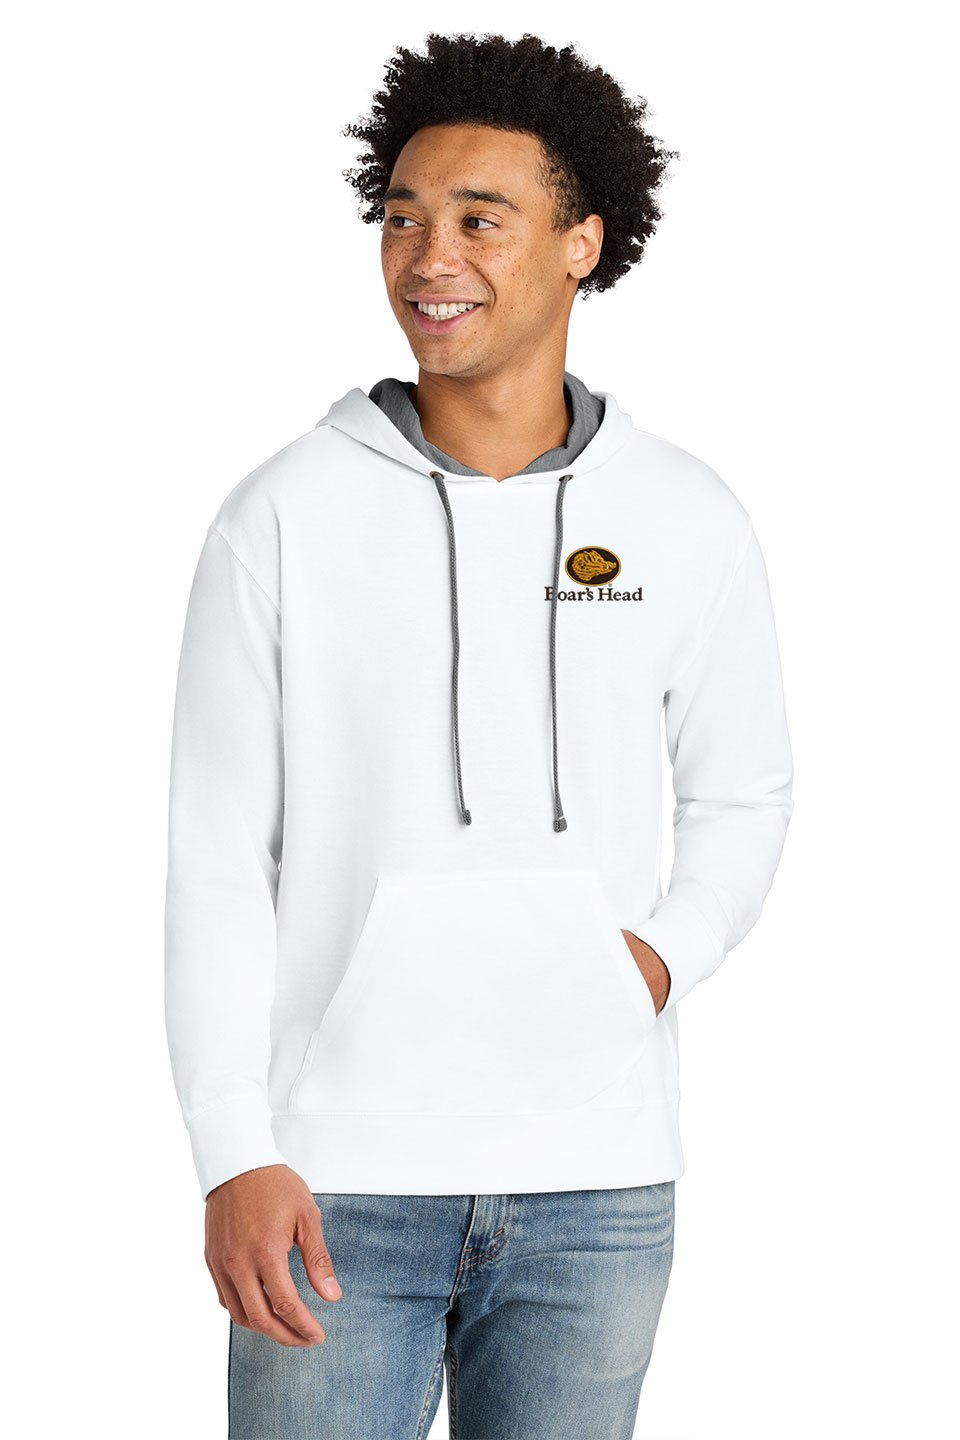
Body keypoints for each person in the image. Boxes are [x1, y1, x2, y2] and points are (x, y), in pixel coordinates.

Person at [163, 31, 795, 1440]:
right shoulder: (281, 516)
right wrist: (231, 1152)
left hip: (597, 1186)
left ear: (582, 244)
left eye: (477, 219)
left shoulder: (687, 515)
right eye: (402, 218)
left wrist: (656, 958)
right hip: (332, 1184)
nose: (427, 257)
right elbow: (215, 859)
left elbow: (745, 792)